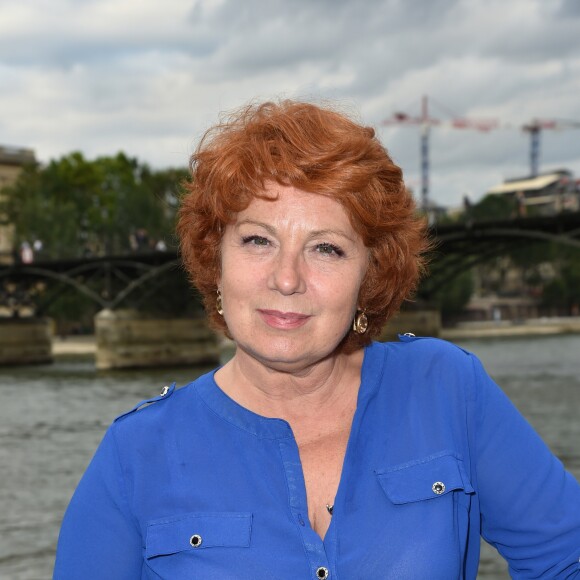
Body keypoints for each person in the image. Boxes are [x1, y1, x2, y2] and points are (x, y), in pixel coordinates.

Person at [54, 100, 580, 579]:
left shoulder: (446, 390)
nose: (287, 278)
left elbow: (566, 557)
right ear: (215, 262)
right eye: (258, 239)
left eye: (326, 249)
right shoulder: (134, 455)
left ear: (369, 277)